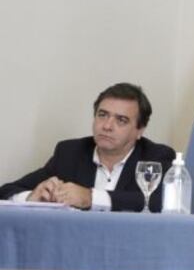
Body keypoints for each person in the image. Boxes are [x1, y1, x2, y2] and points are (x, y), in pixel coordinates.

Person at [0, 83, 175, 211]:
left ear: (140, 130)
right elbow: (6, 191)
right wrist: (31, 197)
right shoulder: (70, 152)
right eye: (102, 115)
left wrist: (91, 197)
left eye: (121, 120)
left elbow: (162, 202)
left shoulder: (156, 156)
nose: (107, 126)